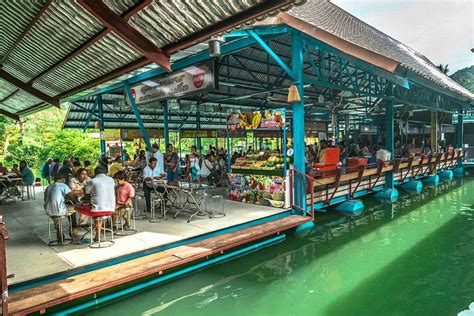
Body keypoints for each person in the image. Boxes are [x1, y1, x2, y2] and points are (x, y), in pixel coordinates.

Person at [80, 166, 116, 242]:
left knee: (78, 207)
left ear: (95, 173)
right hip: (111, 210)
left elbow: (87, 193)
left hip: (97, 211)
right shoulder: (111, 180)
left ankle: (95, 233)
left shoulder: (92, 181)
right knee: (98, 210)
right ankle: (98, 234)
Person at [44, 173, 75, 243]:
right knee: (75, 209)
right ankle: (73, 230)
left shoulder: (48, 187)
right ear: (63, 180)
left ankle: (59, 231)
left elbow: (46, 199)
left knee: (57, 215)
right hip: (59, 211)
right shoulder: (63, 185)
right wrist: (76, 203)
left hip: (48, 211)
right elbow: (71, 196)